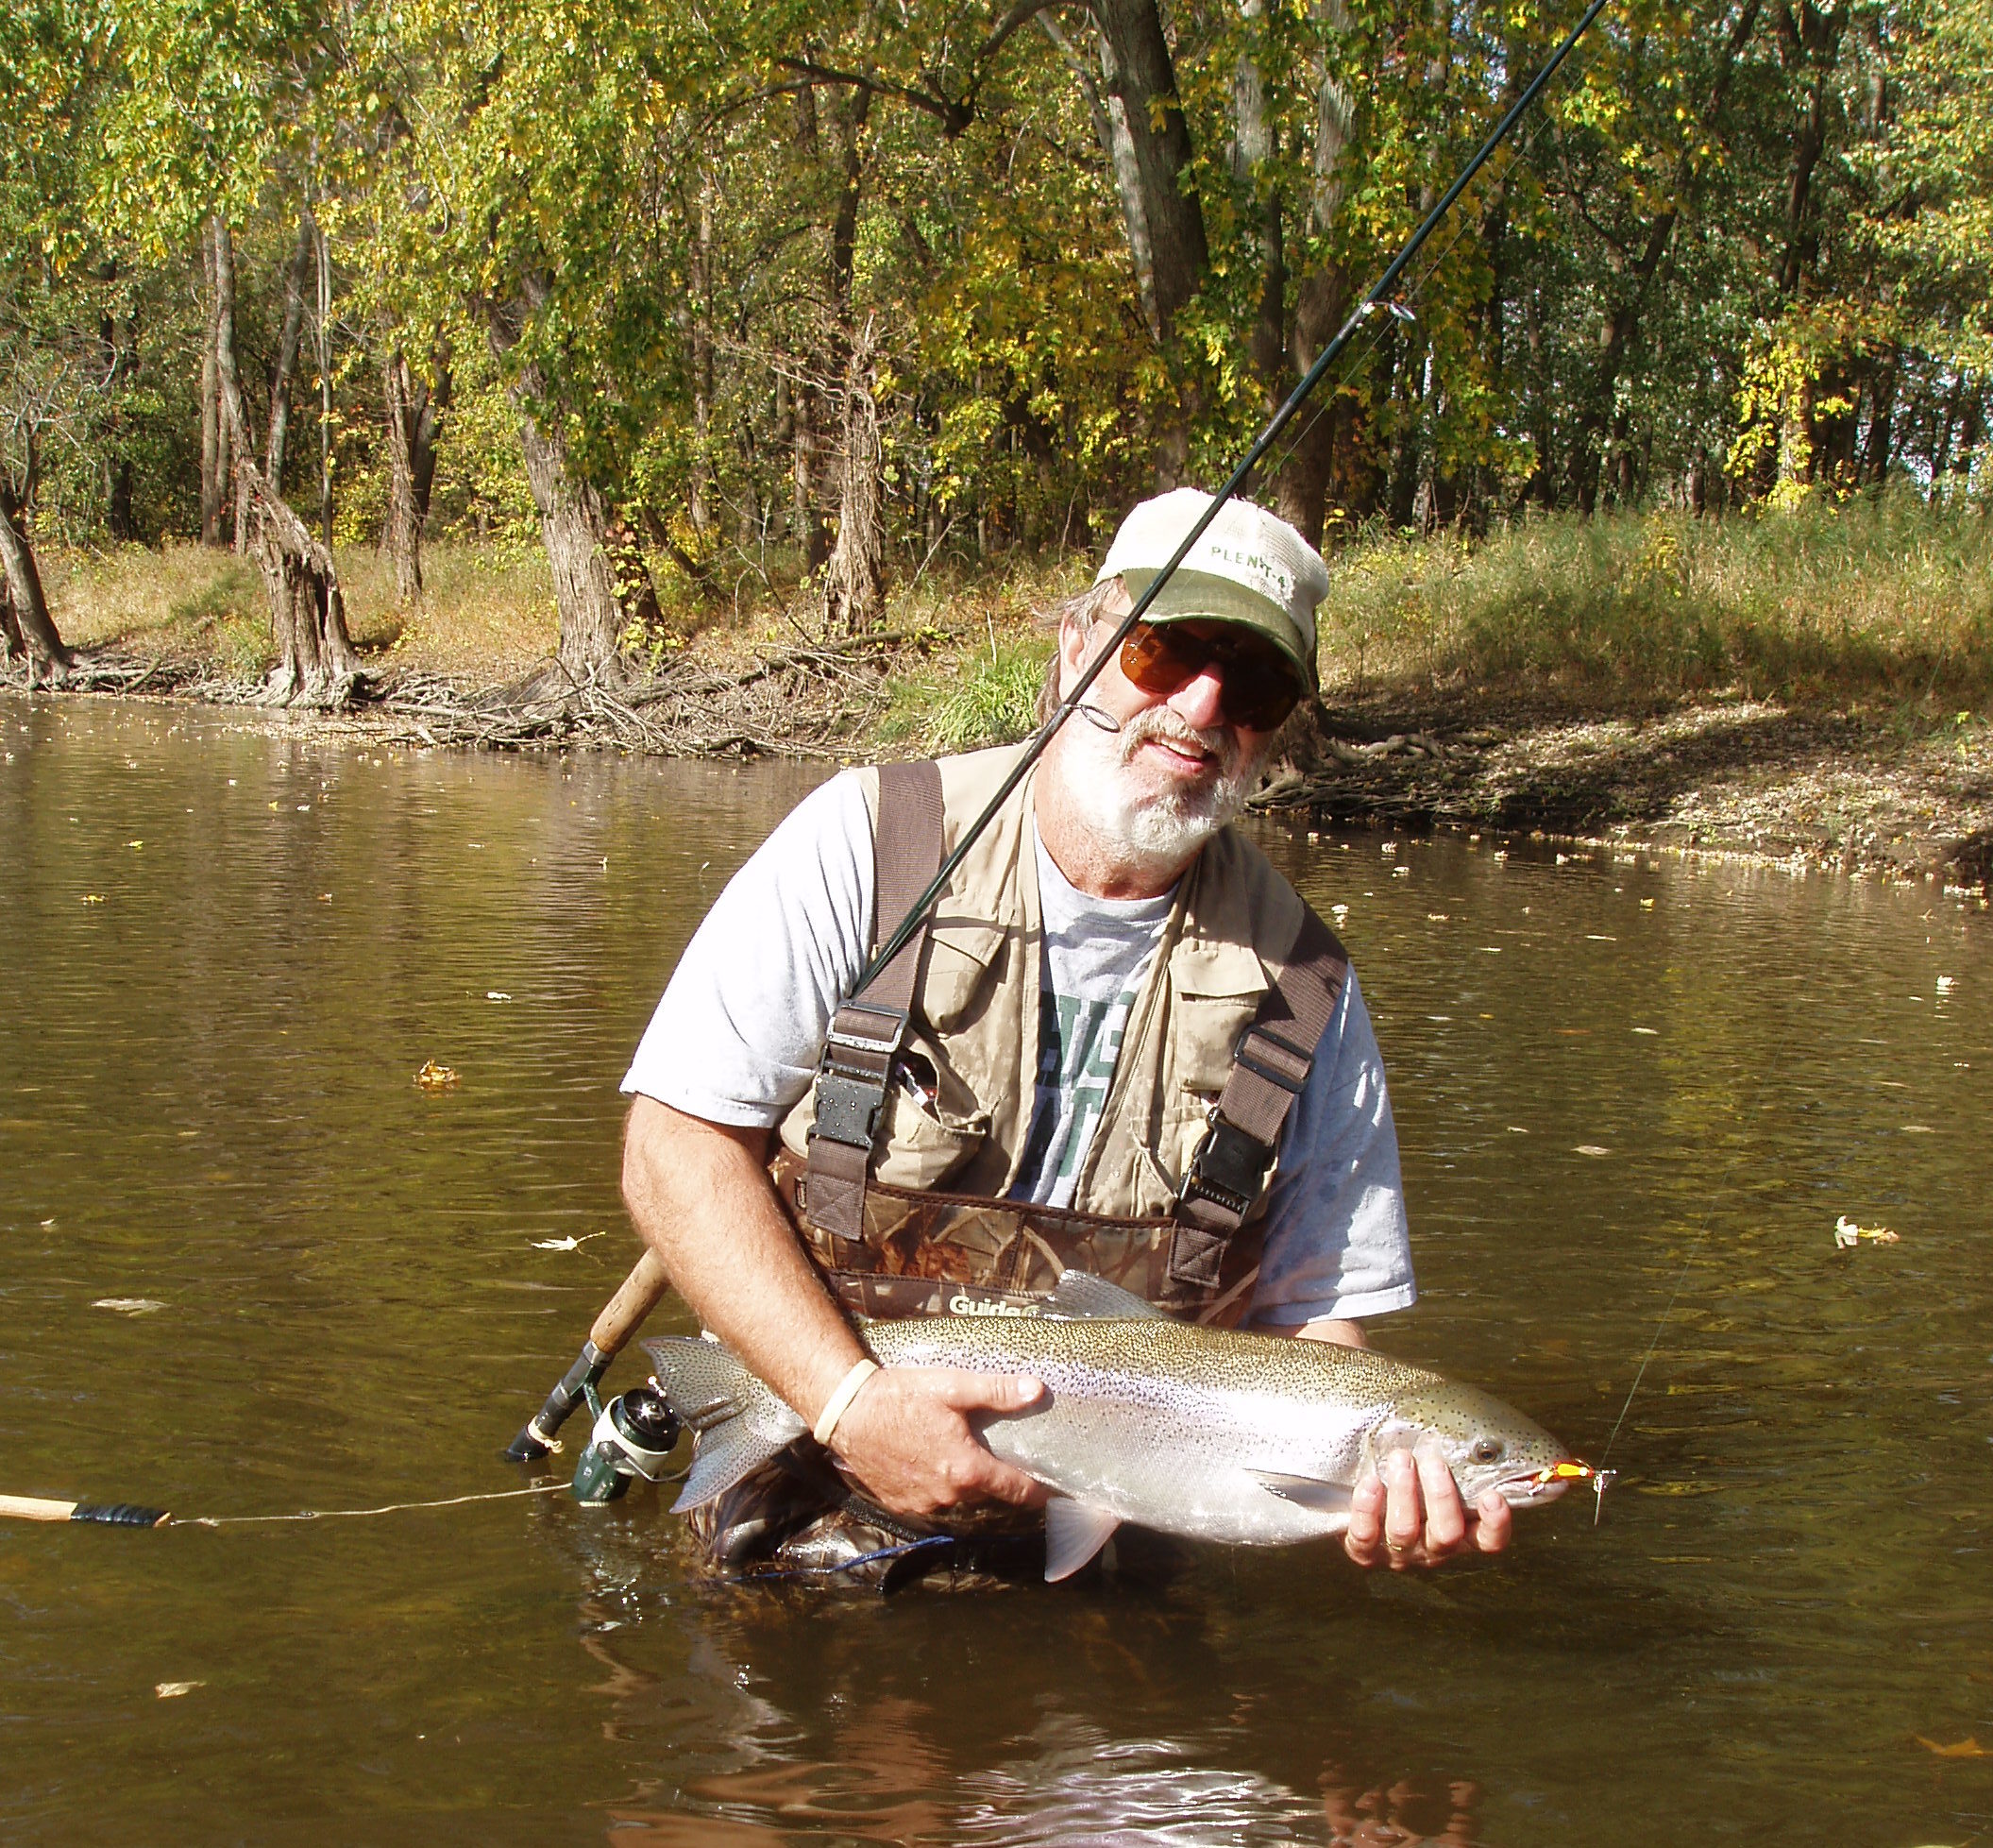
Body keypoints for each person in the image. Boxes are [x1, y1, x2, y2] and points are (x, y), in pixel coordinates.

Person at [619, 489, 1512, 1582]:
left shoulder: (1307, 985)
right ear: (1076, 643)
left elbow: (1316, 1325)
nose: (1198, 704)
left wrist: (1378, 1475)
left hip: (1108, 1523)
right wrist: (850, 1405)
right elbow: (675, 1152)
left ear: (1277, 724)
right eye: (1162, 650)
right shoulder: (867, 842)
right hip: (809, 1462)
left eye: (1254, 682)